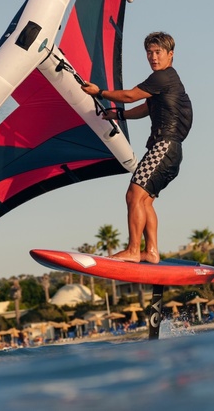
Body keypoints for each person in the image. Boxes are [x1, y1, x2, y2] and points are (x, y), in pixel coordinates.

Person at [81, 31, 192, 263]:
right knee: (145, 200)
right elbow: (145, 108)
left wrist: (99, 92)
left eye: (158, 52)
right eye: (149, 53)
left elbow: (130, 96)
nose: (153, 57)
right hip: (172, 152)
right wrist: (119, 115)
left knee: (133, 195)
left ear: (170, 54)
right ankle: (151, 252)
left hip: (164, 147)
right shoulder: (168, 82)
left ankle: (133, 250)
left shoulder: (162, 77)